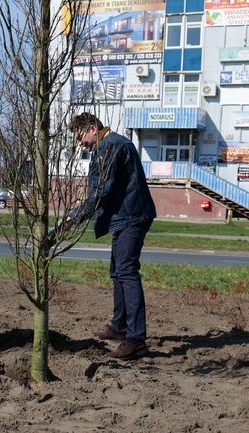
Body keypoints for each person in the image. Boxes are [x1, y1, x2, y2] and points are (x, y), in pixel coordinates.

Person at [62, 112, 156, 360]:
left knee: (126, 272)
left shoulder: (111, 146)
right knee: (117, 271)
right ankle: (119, 326)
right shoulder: (108, 145)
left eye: (80, 136)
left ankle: (135, 339)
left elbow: (101, 191)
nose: (79, 142)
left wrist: (74, 217)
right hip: (125, 216)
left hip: (133, 216)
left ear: (92, 128)